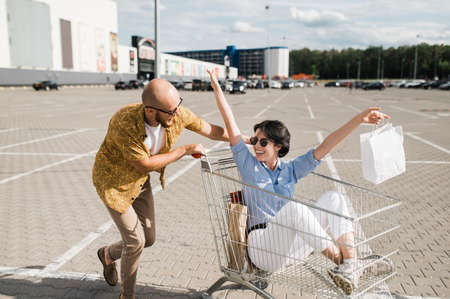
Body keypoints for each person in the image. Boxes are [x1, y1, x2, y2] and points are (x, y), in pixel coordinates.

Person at [206, 70, 393, 295]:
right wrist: (217, 86)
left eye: (263, 142)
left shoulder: (291, 170)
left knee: (334, 197)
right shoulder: (249, 165)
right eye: (255, 140)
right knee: (295, 209)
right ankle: (348, 265)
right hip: (262, 247)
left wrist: (358, 120)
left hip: (290, 246)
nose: (256, 145)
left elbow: (325, 146)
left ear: (278, 147)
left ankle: (351, 264)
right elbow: (231, 122)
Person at [92, 78, 229, 299]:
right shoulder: (124, 122)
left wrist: (244, 140)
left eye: (177, 108)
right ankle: (127, 296)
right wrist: (184, 150)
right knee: (136, 241)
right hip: (114, 182)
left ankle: (107, 254)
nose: (176, 115)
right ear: (150, 111)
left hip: (139, 180)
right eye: (170, 112)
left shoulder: (175, 112)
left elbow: (210, 130)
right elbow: (144, 164)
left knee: (149, 237)